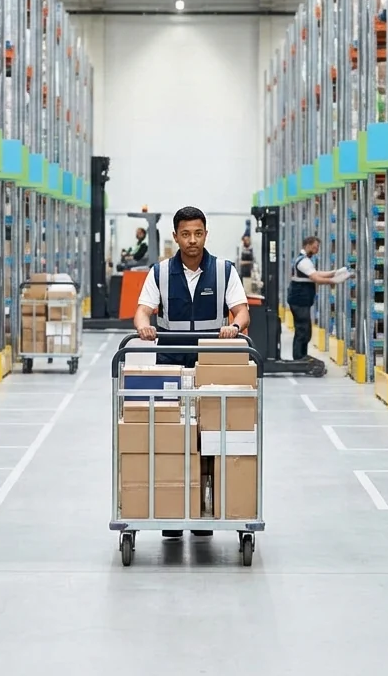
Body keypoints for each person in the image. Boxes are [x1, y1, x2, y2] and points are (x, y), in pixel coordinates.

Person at [133, 206, 249, 539]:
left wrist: (235, 326)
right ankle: (171, 512)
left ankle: (203, 509)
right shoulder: (160, 272)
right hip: (170, 363)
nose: (192, 240)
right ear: (175, 236)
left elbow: (240, 311)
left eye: (198, 233)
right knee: (171, 436)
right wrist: (143, 328)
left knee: (208, 436)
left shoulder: (225, 271)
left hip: (212, 363)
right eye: (186, 234)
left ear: (206, 234)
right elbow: (143, 311)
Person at [286, 235, 344, 361]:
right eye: (315, 247)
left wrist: (335, 272)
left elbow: (317, 273)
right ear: (308, 245)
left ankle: (301, 356)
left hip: (301, 301)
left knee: (304, 330)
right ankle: (299, 358)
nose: (317, 249)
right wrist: (334, 280)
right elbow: (316, 278)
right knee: (303, 330)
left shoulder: (305, 260)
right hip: (299, 301)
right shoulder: (303, 261)